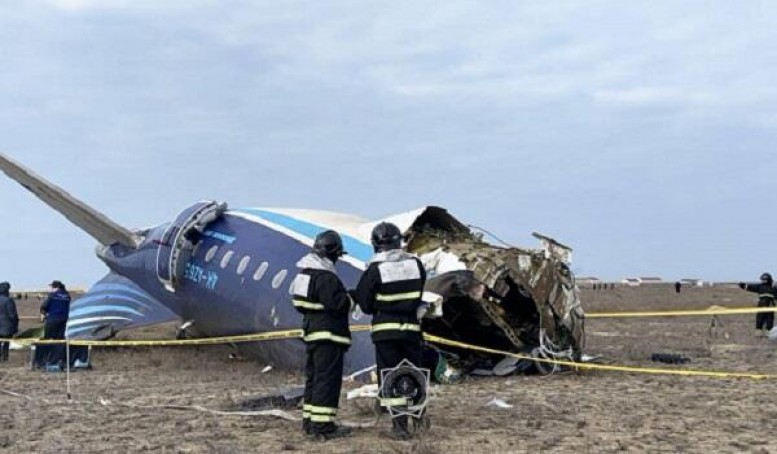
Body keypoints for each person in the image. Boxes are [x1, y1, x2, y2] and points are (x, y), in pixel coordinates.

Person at [353, 222, 427, 440]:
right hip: (412, 330)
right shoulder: (416, 265)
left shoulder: (375, 270)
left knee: (392, 376)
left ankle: (400, 426)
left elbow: (365, 304)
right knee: (414, 373)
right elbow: (419, 293)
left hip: (386, 333)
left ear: (376, 244)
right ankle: (419, 418)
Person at [290, 230, 353, 441]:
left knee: (314, 379)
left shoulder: (303, 275)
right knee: (327, 381)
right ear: (333, 253)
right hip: (329, 336)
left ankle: (309, 421)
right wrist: (350, 298)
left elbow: (298, 304)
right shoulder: (326, 277)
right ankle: (323, 426)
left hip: (311, 333)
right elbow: (339, 304)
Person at [39, 280, 72, 368]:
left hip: (52, 319)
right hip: (63, 320)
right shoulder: (67, 295)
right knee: (59, 340)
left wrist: (43, 312)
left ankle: (45, 360)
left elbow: (44, 306)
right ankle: (57, 360)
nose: (50, 289)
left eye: (51, 287)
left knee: (48, 339)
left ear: (56, 287)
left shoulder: (52, 295)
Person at [0, 282, 19, 363]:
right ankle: (4, 358)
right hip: (6, 326)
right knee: (6, 343)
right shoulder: (8, 300)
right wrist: (15, 325)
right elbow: (12, 314)